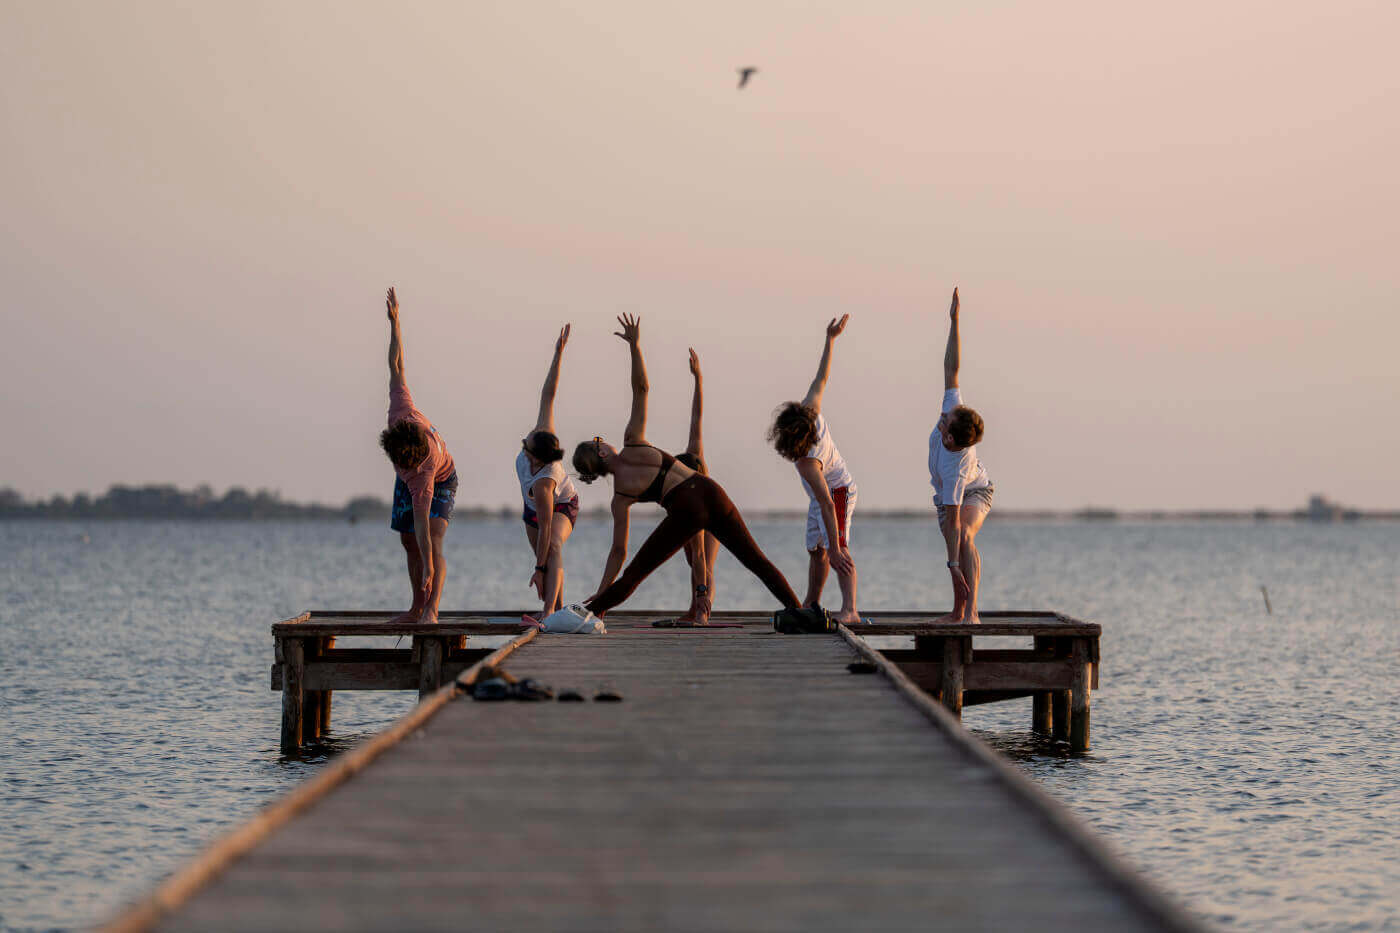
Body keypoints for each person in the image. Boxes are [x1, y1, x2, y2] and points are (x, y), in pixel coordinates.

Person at [573, 314, 803, 619]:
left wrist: (604, 590)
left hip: (686, 509)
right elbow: (641, 388)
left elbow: (619, 553)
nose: (604, 440)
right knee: (755, 560)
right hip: (709, 491)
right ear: (601, 450)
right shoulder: (632, 442)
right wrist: (635, 347)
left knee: (635, 574)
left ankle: (590, 612)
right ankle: (798, 611)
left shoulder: (620, 498)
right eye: (599, 440)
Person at [767, 315, 860, 625]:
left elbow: (826, 503)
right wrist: (830, 340)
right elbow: (822, 378)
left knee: (837, 549)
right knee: (815, 548)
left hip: (838, 490)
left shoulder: (808, 462)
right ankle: (812, 601)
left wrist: (836, 547)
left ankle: (851, 609)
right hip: (820, 495)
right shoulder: (810, 409)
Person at [379, 287, 457, 624]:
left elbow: (425, 527)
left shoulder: (423, 476)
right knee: (408, 542)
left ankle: (431, 610)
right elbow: (396, 363)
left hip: (443, 479)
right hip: (410, 479)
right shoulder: (401, 411)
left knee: (431, 542)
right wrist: (395, 324)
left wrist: (429, 566)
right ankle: (415, 608)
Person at [930, 287, 993, 623]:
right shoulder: (952, 409)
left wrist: (953, 565)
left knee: (963, 537)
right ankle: (958, 610)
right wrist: (954, 321)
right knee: (952, 544)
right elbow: (951, 368)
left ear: (951, 438)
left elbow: (955, 522)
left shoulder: (957, 465)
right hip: (945, 496)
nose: (942, 416)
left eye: (946, 422)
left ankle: (971, 612)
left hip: (974, 490)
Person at [517, 325, 580, 622]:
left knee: (552, 545)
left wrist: (539, 570)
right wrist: (558, 353)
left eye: (526, 444)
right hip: (531, 509)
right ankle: (557, 611)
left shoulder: (545, 482)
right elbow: (548, 394)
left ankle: (547, 615)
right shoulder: (543, 433)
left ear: (535, 456)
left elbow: (545, 528)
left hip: (562, 504)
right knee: (543, 555)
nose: (525, 438)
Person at [675, 348, 719, 624]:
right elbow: (696, 418)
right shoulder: (693, 455)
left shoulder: (698, 496)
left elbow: (702, 552)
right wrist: (697, 379)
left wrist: (702, 591)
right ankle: (696, 607)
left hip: (712, 518)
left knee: (703, 562)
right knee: (693, 562)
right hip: (693, 514)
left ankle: (702, 611)